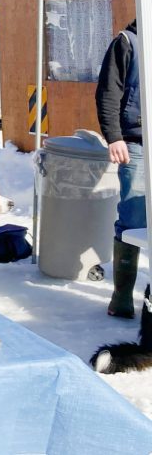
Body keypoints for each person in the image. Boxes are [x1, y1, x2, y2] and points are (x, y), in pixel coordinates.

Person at [96, 18, 145, 318]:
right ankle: (123, 296)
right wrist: (114, 136)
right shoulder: (126, 42)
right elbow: (108, 92)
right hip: (136, 142)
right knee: (134, 216)